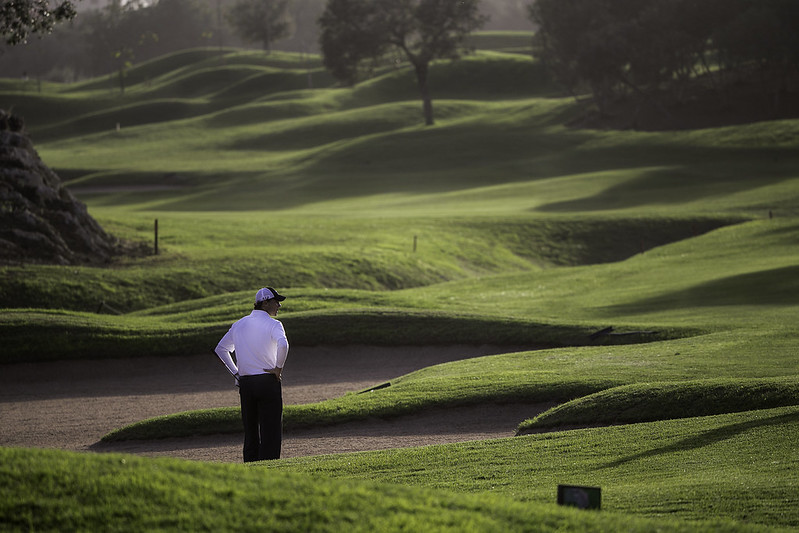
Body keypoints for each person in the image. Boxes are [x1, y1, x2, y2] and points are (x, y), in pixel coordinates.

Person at [214, 287, 289, 462]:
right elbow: (283, 345)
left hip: (246, 383)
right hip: (267, 381)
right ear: (265, 302)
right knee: (270, 431)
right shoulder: (274, 325)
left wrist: (236, 373)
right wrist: (278, 368)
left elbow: (221, 349)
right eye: (276, 301)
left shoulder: (239, 324)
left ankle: (251, 467)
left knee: (251, 431)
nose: (279, 305)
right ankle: (269, 469)